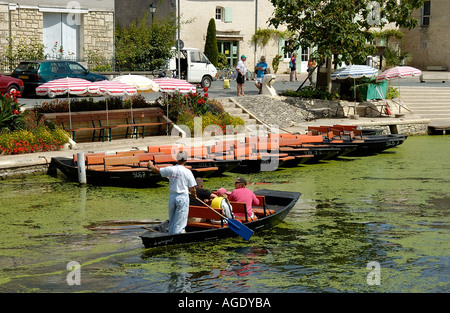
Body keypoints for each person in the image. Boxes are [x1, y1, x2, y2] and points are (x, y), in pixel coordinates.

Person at [147, 151, 197, 234]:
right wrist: (194, 195)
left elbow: (157, 170)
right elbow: (192, 188)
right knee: (180, 221)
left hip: (172, 197)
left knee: (172, 219)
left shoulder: (171, 169)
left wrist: (151, 166)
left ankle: (171, 234)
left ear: (177, 159)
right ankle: (177, 237)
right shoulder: (187, 172)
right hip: (182, 197)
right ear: (185, 160)